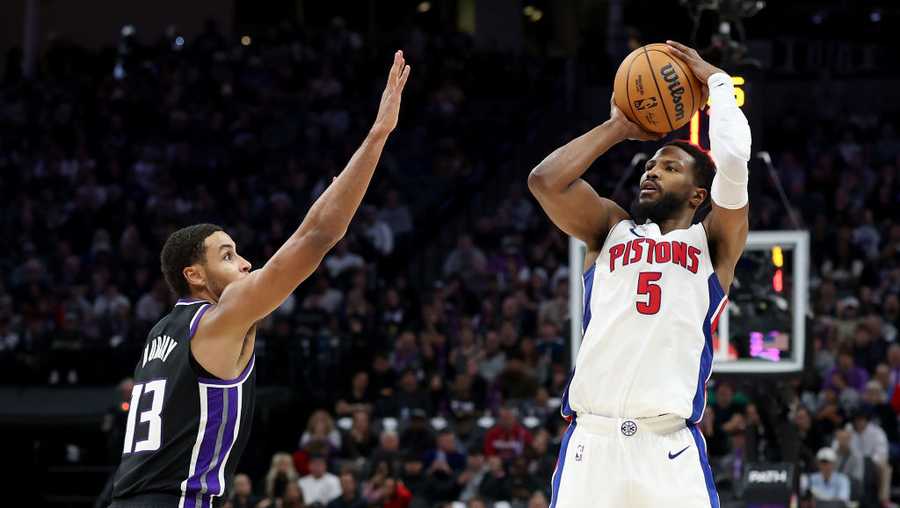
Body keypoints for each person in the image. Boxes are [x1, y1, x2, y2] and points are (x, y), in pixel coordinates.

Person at [107, 52, 411, 507]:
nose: (246, 264)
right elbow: (317, 235)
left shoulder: (159, 335)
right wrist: (377, 135)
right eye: (228, 256)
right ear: (194, 275)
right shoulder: (216, 319)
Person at [529, 41, 751, 507]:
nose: (652, 173)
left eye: (670, 168)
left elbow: (733, 162)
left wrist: (717, 82)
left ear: (698, 195)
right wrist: (617, 127)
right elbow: (545, 182)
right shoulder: (609, 227)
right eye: (650, 165)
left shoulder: (712, 242)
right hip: (592, 442)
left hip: (667, 448)